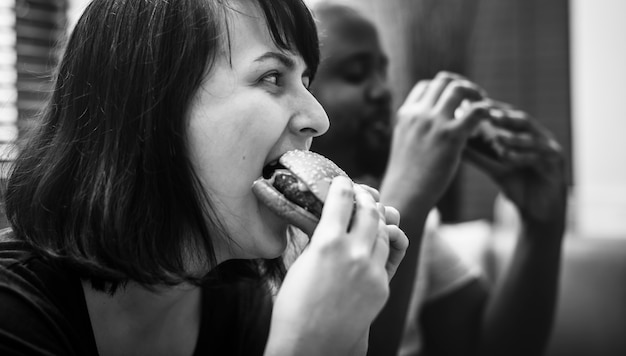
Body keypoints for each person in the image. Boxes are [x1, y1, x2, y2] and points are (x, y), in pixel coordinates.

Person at [0, 1, 411, 355]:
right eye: (272, 77)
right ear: (152, 111)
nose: (319, 120)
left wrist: (347, 332)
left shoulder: (235, 301)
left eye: (305, 81)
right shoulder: (13, 313)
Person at [307, 2, 568, 356]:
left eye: (383, 72)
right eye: (356, 73)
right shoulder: (278, 231)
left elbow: (486, 347)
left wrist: (542, 227)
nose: (383, 91)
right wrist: (409, 194)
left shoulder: (419, 225)